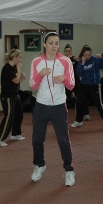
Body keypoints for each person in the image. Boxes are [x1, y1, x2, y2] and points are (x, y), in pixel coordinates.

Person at [28, 31, 76, 186]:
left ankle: (69, 170)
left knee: (63, 139)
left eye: (56, 43)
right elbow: (32, 85)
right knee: (37, 139)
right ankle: (39, 165)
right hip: (41, 105)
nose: (54, 46)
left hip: (59, 106)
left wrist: (64, 79)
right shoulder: (36, 62)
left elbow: (72, 85)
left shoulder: (65, 61)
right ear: (44, 44)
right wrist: (40, 75)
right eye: (51, 43)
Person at [71, 45, 103, 131]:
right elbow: (79, 73)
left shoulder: (95, 60)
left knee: (99, 105)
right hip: (84, 85)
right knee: (79, 103)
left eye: (89, 55)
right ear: (83, 54)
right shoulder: (81, 61)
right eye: (85, 55)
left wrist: (101, 59)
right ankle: (78, 121)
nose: (87, 57)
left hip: (94, 86)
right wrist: (82, 63)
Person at [0, 49, 26, 147]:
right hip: (7, 96)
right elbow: (16, 81)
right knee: (8, 117)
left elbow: (17, 79)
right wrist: (19, 70)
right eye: (20, 57)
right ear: (15, 58)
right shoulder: (7, 68)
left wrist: (20, 74)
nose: (21, 59)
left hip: (15, 95)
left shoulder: (12, 68)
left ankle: (15, 134)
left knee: (19, 113)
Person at [64, 44, 90, 120]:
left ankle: (86, 113)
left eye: (69, 51)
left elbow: (81, 68)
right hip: (67, 82)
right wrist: (67, 60)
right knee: (64, 98)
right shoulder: (62, 60)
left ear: (71, 51)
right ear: (64, 52)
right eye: (66, 51)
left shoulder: (75, 59)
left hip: (76, 81)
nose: (68, 52)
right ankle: (61, 115)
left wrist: (78, 61)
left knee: (81, 97)